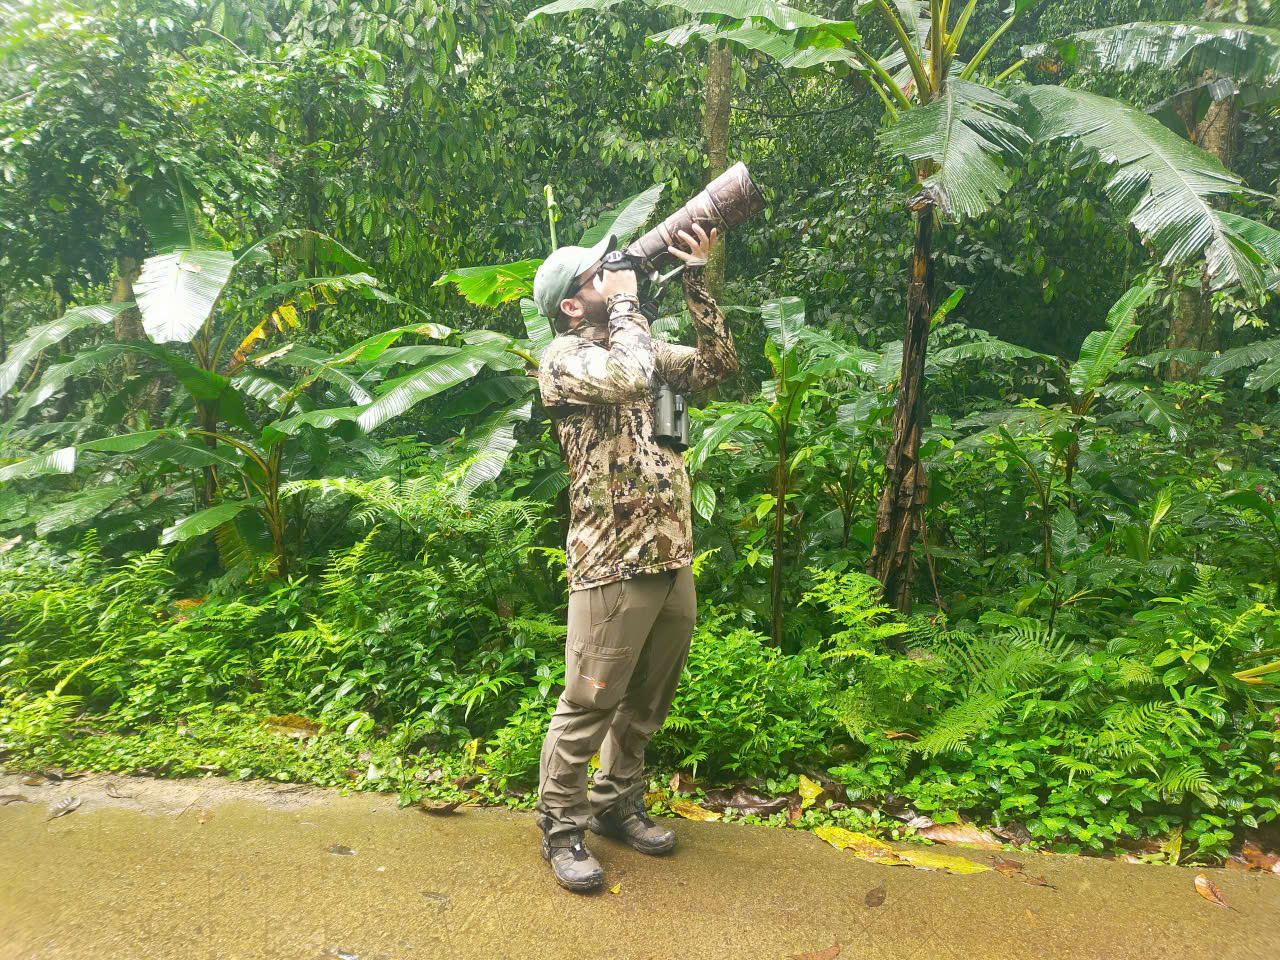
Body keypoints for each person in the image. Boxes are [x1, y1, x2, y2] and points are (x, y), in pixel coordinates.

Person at [530, 221, 737, 892]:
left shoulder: (636, 341)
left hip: (670, 553)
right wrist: (627, 304)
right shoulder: (564, 357)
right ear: (571, 303)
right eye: (597, 277)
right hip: (611, 560)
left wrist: (698, 282)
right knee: (590, 700)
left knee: (647, 700)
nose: (612, 279)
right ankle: (562, 828)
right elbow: (628, 373)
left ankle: (616, 803)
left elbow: (715, 370)